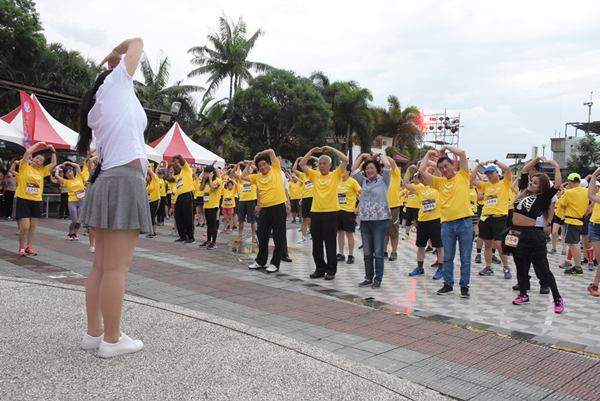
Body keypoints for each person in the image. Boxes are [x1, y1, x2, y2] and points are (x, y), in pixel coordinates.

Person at [77, 37, 151, 358]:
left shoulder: (98, 107)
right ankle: (112, 338)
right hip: (123, 180)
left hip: (106, 180)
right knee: (116, 269)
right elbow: (137, 41)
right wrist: (115, 54)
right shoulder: (118, 84)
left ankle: (95, 333)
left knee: (101, 266)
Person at [505, 158, 563, 313]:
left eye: (535, 183)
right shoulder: (524, 190)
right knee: (520, 266)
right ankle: (523, 294)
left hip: (532, 234)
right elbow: (525, 171)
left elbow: (557, 185)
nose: (531, 183)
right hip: (515, 232)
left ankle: (557, 297)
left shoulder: (544, 197)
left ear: (542, 186)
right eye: (531, 181)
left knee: (541, 267)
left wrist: (555, 165)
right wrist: (536, 159)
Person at [418, 146, 473, 298]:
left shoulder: (463, 175)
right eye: (441, 168)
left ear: (452, 166)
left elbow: (462, 153)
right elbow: (422, 170)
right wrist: (429, 153)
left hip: (465, 223)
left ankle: (464, 287)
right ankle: (448, 284)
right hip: (447, 224)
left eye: (446, 166)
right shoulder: (439, 182)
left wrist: (446, 148)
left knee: (465, 258)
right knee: (447, 256)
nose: (444, 169)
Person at [300, 146, 349, 280]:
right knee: (316, 243)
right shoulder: (314, 175)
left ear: (330, 165)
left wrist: (332, 149)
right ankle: (319, 269)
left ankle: (331, 270)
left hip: (331, 214)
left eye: (324, 164)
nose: (321, 166)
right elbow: (301, 164)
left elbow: (345, 159)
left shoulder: (335, 175)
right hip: (315, 213)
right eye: (320, 164)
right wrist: (310, 152)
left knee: (330, 243)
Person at [241, 149, 290, 272]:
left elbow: (271, 151)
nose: (263, 167)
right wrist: (248, 164)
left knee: (278, 236)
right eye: (259, 166)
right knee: (262, 235)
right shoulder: (257, 177)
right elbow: (243, 176)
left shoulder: (276, 170)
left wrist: (258, 154)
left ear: (269, 164)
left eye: (264, 164)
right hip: (265, 208)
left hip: (278, 207)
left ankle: (275, 263)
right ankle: (260, 261)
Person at [352, 153, 392, 288]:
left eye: (372, 168)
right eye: (367, 169)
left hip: (380, 221)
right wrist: (363, 156)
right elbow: (353, 168)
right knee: (367, 252)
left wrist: (380, 155)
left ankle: (378, 279)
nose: (369, 171)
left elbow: (387, 165)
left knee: (378, 253)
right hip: (365, 221)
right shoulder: (363, 181)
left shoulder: (384, 180)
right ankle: (368, 277)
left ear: (377, 170)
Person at [470, 161, 513, 279]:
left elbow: (508, 169)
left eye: (491, 173)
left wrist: (496, 162)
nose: (489, 175)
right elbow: (472, 181)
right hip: (485, 217)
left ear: (497, 173)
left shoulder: (504, 183)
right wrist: (478, 167)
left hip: (499, 217)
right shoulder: (486, 185)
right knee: (487, 243)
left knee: (499, 244)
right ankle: (488, 267)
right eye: (487, 173)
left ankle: (506, 267)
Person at [15, 141, 57, 256]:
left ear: (42, 165)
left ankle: (29, 247)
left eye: (40, 160)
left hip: (36, 201)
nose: (37, 160)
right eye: (36, 158)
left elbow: (53, 163)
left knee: (33, 227)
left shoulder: (42, 171)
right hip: (23, 199)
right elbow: (28, 151)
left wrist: (52, 149)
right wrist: (39, 144)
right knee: (24, 227)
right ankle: (21, 247)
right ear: (32, 159)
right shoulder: (24, 167)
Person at [403, 165, 444, 280]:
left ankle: (441, 269)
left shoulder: (437, 186)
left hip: (436, 220)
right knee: (420, 246)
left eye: (425, 177)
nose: (423, 179)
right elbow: (406, 184)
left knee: (439, 246)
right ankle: (420, 268)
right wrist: (408, 170)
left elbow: (438, 171)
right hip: (422, 221)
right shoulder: (420, 188)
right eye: (421, 178)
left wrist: (431, 164)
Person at [559, 173, 589, 276]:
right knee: (574, 243)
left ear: (570, 182)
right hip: (580, 220)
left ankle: (578, 267)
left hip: (571, 221)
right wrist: (587, 210)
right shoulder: (586, 191)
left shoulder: (569, 192)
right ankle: (577, 266)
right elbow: (593, 201)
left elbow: (562, 205)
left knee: (574, 244)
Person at [165, 155, 196, 244]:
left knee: (188, 217)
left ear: (181, 166)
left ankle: (191, 237)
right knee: (178, 217)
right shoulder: (176, 177)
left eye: (177, 167)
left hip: (187, 195)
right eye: (174, 169)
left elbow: (182, 160)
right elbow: (167, 177)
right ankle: (182, 236)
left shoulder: (186, 170)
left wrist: (177, 156)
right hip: (179, 197)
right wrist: (168, 167)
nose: (176, 169)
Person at [54, 161, 86, 240]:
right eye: (67, 173)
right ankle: (70, 234)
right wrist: (58, 167)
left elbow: (78, 165)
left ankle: (75, 234)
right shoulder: (66, 182)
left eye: (71, 171)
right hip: (72, 202)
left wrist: (68, 162)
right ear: (65, 175)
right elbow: (56, 175)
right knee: (74, 220)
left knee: (79, 221)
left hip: (82, 201)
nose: (70, 174)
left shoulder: (79, 177)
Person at [336, 164, 361, 264]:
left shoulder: (353, 182)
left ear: (348, 172)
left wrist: (358, 207)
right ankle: (341, 253)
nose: (341, 171)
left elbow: (362, 193)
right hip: (338, 211)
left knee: (349, 233)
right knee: (340, 233)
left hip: (349, 212)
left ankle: (351, 255)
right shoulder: (338, 181)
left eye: (343, 170)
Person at [230, 162, 258, 243]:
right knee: (241, 219)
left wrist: (250, 164)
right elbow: (232, 173)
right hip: (242, 200)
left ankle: (254, 236)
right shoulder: (242, 178)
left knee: (253, 220)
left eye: (249, 170)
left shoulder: (253, 177)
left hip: (251, 200)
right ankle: (240, 235)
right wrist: (237, 164)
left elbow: (257, 170)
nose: (247, 171)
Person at [198, 164, 222, 249]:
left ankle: (214, 242)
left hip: (214, 205)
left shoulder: (218, 181)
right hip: (207, 205)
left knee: (213, 224)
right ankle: (208, 240)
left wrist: (211, 179)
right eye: (205, 173)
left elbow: (213, 189)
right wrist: (204, 180)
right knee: (208, 224)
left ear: (212, 173)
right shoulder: (206, 181)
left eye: (208, 173)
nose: (206, 174)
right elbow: (201, 189)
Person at [384, 157, 402, 260]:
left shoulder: (395, 175)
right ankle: (384, 251)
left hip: (393, 207)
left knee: (393, 231)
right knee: (384, 231)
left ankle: (394, 252)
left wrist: (383, 156)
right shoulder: (380, 177)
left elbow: (392, 163)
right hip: (382, 208)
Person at [586, 169, 600, 296]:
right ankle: (594, 286)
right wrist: (594, 175)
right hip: (596, 226)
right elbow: (591, 195)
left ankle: (594, 285)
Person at [145, 165, 160, 238]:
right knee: (149, 216)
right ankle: (150, 231)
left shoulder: (155, 179)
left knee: (152, 216)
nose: (146, 177)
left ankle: (154, 232)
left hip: (155, 200)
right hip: (149, 201)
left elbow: (151, 171)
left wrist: (146, 167)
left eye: (147, 176)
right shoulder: (147, 183)